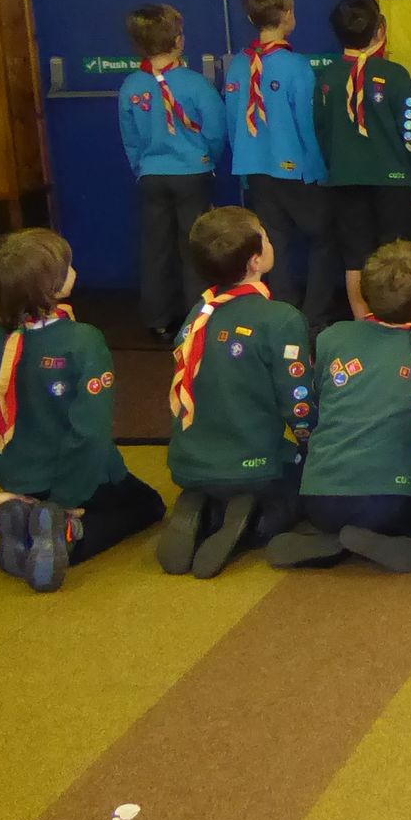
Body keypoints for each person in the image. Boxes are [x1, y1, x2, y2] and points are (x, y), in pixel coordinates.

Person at [0, 229, 165, 592]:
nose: (74, 270)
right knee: (149, 506)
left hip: (16, 482)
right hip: (78, 480)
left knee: (55, 502)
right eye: (68, 267)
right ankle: (66, 534)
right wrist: (65, 500)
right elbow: (90, 433)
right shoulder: (82, 341)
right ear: (52, 288)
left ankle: (24, 527)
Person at [267, 239, 411, 571]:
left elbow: (317, 399)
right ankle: (376, 537)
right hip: (392, 503)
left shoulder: (331, 338)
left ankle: (335, 539)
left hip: (319, 500)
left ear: (364, 294)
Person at [161, 206, 314, 578]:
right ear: (256, 260)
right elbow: (297, 402)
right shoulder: (280, 318)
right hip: (256, 465)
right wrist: (313, 444)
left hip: (187, 461)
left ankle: (205, 505)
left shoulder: (198, 314)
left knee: (218, 474)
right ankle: (251, 521)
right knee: (304, 492)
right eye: (265, 234)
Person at [225, 0, 334, 319]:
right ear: (287, 15)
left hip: (255, 168)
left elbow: (233, 123)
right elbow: (306, 124)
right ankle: (315, 312)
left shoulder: (237, 65)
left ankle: (284, 308)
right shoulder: (297, 66)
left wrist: (242, 167)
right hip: (295, 169)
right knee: (324, 235)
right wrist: (319, 170)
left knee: (275, 240)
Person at [119, 2, 224, 338]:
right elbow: (215, 132)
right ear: (178, 40)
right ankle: (196, 319)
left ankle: (158, 319)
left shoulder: (131, 86)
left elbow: (130, 137)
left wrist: (142, 168)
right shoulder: (196, 84)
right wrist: (207, 160)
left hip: (151, 176)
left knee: (155, 248)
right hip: (192, 174)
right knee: (193, 245)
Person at [316, 0, 411, 322]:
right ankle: (398, 321)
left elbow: (321, 131)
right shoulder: (395, 74)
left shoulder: (327, 78)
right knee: (396, 253)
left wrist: (337, 164)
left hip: (345, 177)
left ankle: (363, 324)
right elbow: (410, 132)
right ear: (380, 30)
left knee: (355, 256)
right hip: (392, 179)